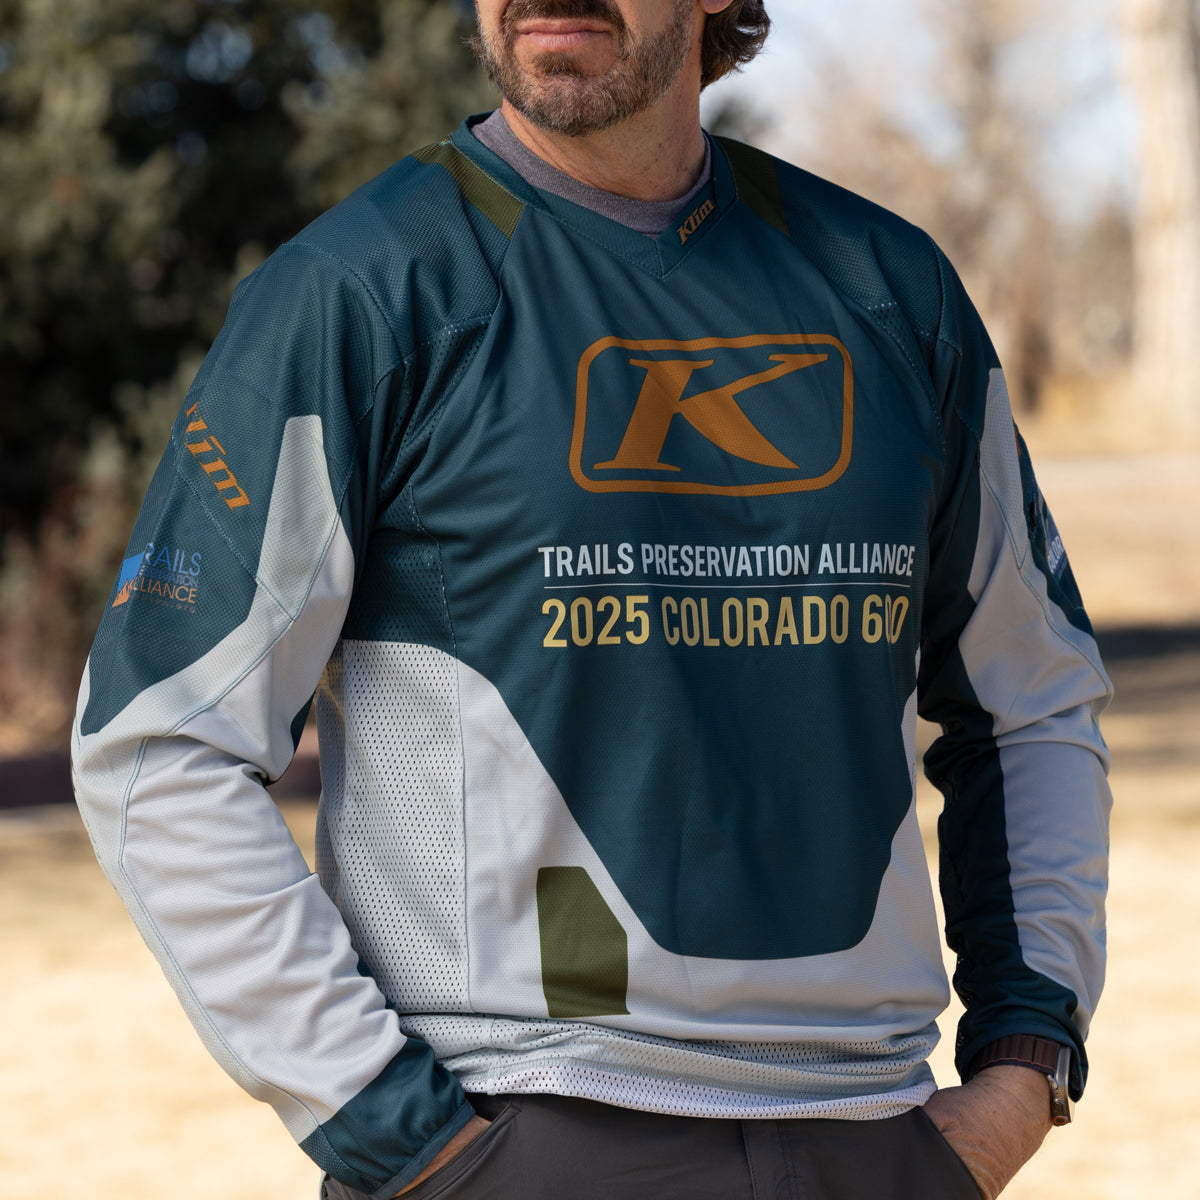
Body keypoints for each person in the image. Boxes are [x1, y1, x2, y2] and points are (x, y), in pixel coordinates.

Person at [71, 1, 1113, 1197]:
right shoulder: (359, 292)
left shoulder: (889, 290)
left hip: (870, 1133)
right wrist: (404, 1140)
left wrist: (1023, 1068)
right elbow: (159, 743)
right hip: (519, 1127)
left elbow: (1032, 699)